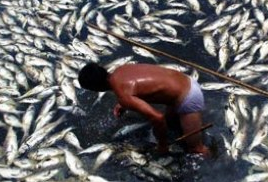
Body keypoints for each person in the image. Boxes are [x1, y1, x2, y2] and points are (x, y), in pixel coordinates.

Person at [78, 62, 210, 156]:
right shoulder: (122, 69)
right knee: (171, 123)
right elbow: (142, 86)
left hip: (188, 97)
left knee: (195, 149)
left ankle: (215, 169)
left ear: (96, 88)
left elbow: (157, 117)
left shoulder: (124, 96)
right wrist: (125, 104)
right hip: (186, 81)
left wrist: (162, 145)